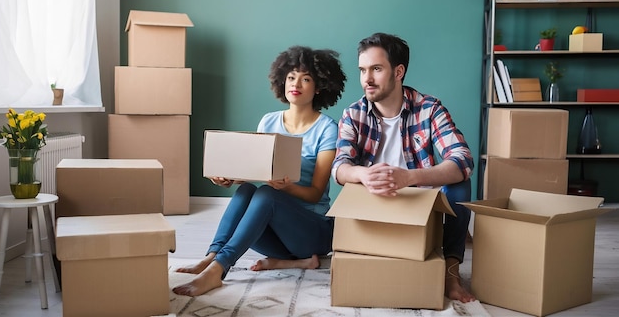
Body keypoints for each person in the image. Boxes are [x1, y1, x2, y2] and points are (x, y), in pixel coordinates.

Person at [172, 46, 346, 297]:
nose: (296, 83)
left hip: (313, 232)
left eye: (306, 78)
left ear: (319, 87)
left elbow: (316, 194)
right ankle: (210, 257)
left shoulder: (327, 128)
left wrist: (285, 186)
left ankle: (217, 270)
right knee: (246, 190)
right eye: (291, 77)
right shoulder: (269, 121)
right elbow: (257, 169)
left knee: (267, 194)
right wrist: (231, 178)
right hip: (278, 239)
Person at [332, 32, 476, 303]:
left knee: (460, 184)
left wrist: (409, 177)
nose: (367, 79)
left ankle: (450, 273)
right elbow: (339, 167)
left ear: (399, 71)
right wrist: (362, 173)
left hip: (417, 204)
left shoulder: (429, 109)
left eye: (376, 69)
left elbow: (462, 158)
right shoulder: (353, 114)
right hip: (373, 200)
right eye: (362, 70)